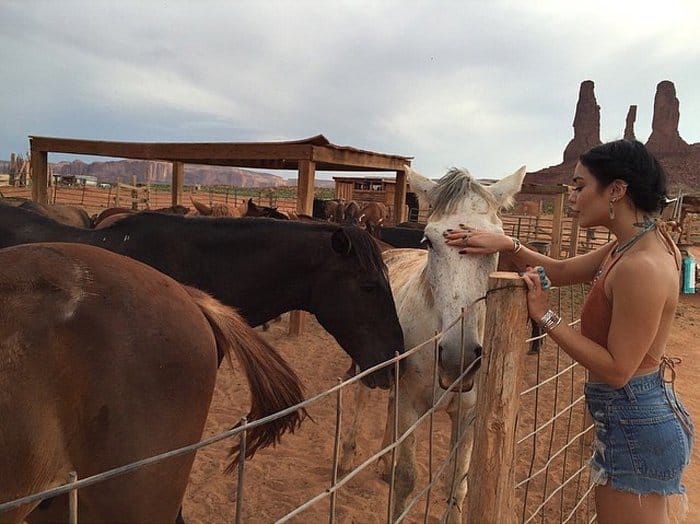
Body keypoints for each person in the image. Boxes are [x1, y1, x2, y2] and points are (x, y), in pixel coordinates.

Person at [444, 139, 693, 524]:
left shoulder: (640, 266)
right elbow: (561, 272)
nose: (572, 197)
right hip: (633, 416)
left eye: (579, 186)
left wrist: (545, 317)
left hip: (635, 422)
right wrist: (507, 243)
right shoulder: (634, 243)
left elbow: (616, 369)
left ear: (616, 190)